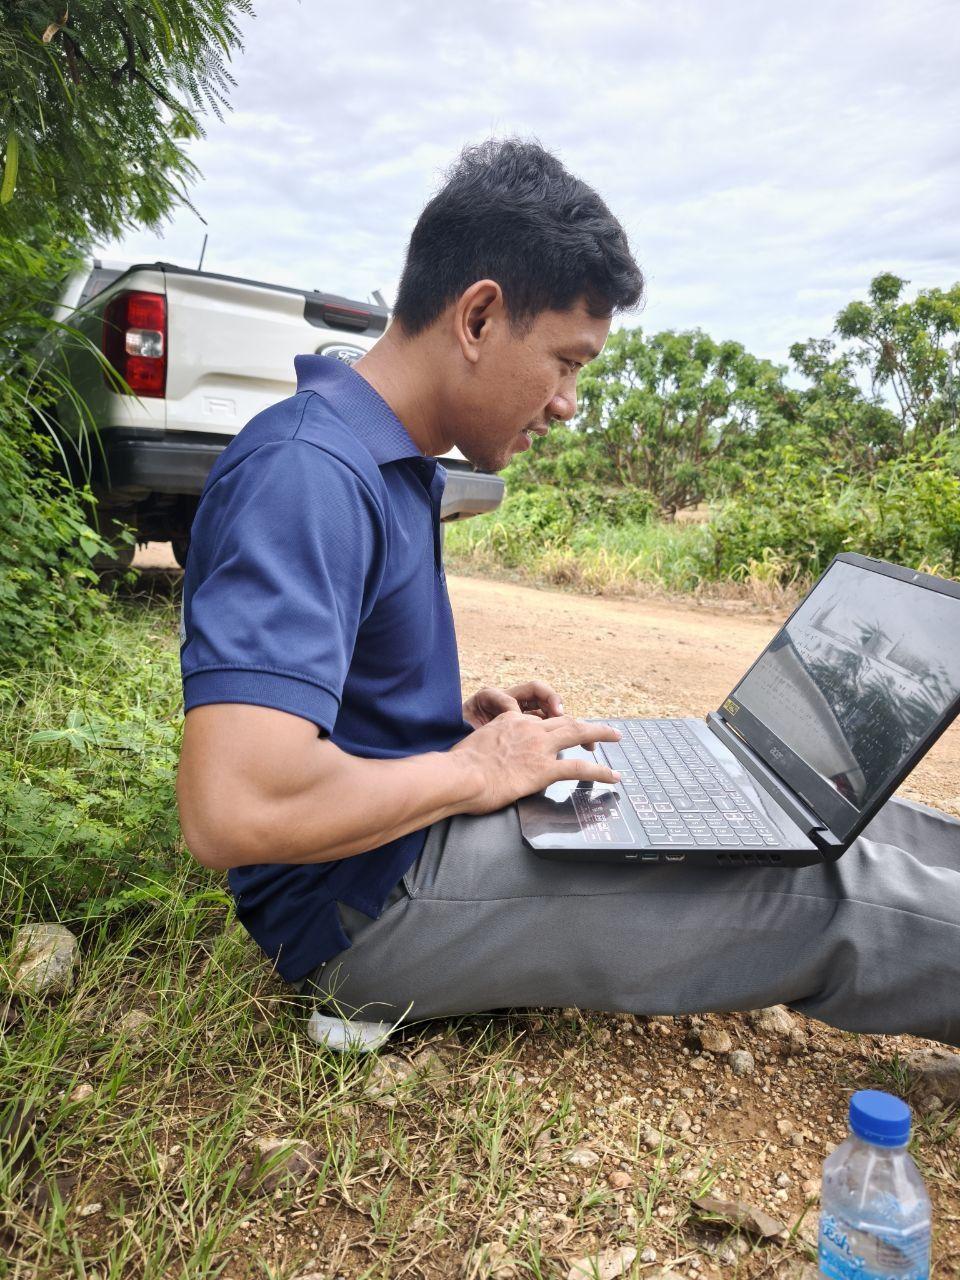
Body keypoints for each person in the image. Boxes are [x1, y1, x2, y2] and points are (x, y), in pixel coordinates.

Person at [176, 139, 960, 1053]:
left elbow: (330, 702)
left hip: (392, 842)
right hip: (365, 908)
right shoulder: (307, 473)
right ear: (478, 316)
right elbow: (233, 806)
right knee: (811, 887)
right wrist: (475, 771)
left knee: (834, 823)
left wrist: (454, 727)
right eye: (567, 361)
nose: (569, 404)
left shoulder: (384, 461)